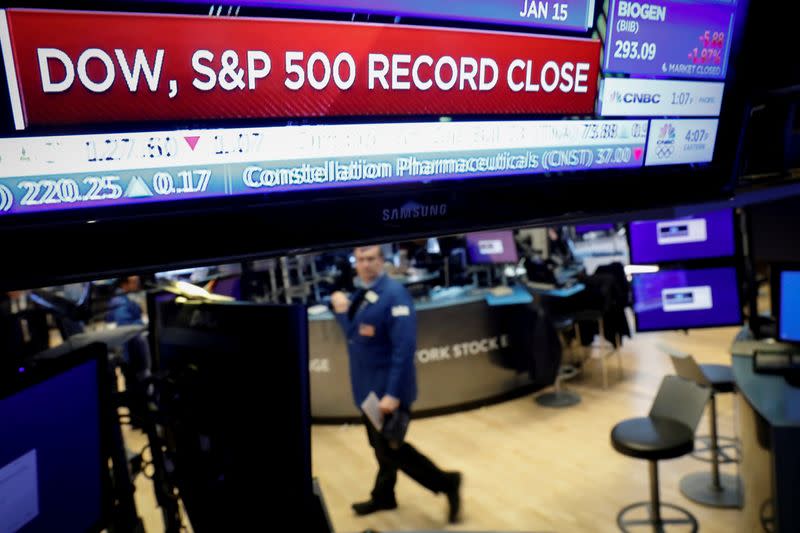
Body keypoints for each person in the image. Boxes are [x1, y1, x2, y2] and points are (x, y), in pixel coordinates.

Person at [330, 245, 462, 523]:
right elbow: (355, 336)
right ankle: (384, 496)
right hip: (366, 391)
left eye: (371, 259)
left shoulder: (394, 295)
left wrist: (391, 394)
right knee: (380, 448)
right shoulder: (364, 293)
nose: (365, 264)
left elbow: (404, 349)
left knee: (393, 449)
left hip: (388, 392)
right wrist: (342, 312)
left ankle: (446, 482)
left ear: (382, 261)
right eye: (360, 259)